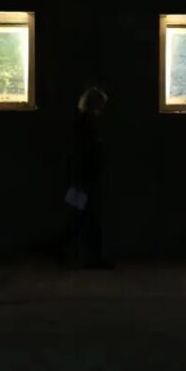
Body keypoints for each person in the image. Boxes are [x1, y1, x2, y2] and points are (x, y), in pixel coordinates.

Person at [63, 85, 110, 269]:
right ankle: (90, 257)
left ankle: (74, 256)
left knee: (76, 215)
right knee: (88, 217)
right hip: (86, 178)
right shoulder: (90, 124)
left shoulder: (80, 123)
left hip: (79, 177)